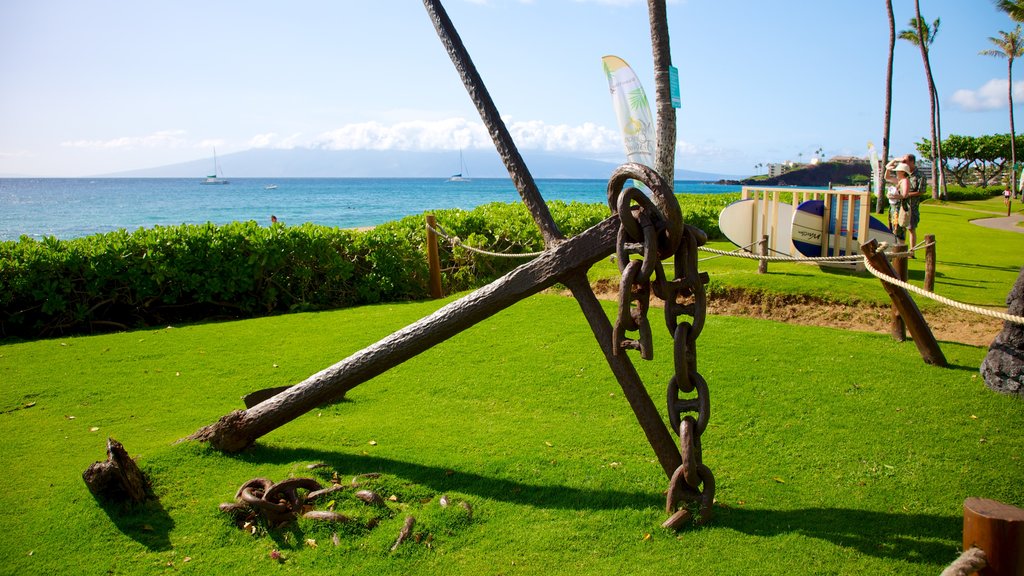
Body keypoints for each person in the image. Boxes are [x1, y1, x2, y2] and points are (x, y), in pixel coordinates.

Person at [884, 154, 925, 254]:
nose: (902, 162)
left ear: (912, 162)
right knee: (898, 228)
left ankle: (911, 252)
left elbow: (920, 191)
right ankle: (900, 250)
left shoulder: (919, 175)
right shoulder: (901, 179)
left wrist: (901, 195)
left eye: (905, 161)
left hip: (911, 206)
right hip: (900, 206)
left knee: (910, 228)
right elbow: (887, 174)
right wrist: (895, 159)